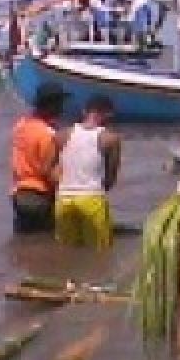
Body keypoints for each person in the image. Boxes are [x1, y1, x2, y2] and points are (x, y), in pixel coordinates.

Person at [53, 95, 121, 250]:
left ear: (84, 111)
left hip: (64, 199)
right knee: (100, 253)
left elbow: (51, 168)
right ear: (108, 114)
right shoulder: (111, 139)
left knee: (66, 252)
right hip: (92, 198)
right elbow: (111, 176)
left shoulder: (61, 135)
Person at [10, 82, 67, 234]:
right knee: (49, 245)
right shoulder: (48, 135)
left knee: (24, 244)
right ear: (51, 105)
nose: (62, 108)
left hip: (19, 195)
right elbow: (49, 172)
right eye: (60, 103)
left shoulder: (20, 126)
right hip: (39, 196)